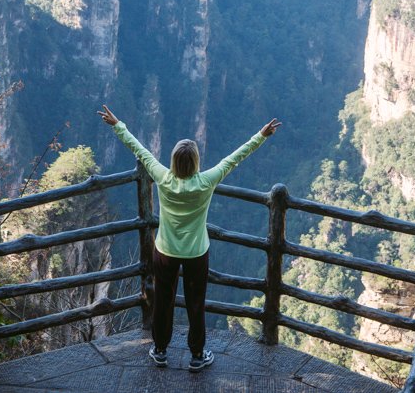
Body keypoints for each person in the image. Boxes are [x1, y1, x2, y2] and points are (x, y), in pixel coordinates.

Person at [97, 104, 281, 372]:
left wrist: (117, 125)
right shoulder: (207, 181)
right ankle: (197, 354)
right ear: (195, 162)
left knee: (163, 301)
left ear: (172, 161)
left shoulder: (162, 177)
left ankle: (160, 349)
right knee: (196, 304)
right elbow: (235, 157)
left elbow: (139, 149)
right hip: (196, 253)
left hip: (165, 251)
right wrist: (261, 135)